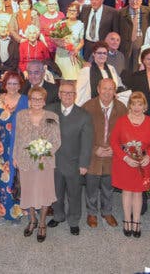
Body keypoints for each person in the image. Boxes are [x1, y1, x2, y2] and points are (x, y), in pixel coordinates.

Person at [13, 86, 61, 242]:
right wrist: (15, 156)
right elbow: (17, 138)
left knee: (45, 192)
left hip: (44, 162)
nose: (37, 101)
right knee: (28, 191)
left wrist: (44, 152)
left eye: (40, 99)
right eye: (34, 98)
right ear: (29, 101)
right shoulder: (20, 115)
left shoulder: (52, 116)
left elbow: (56, 141)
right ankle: (32, 220)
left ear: (44, 101)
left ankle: (42, 223)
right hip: (25, 160)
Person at [45, 81, 92, 235]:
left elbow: (87, 142)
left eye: (70, 93)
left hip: (74, 163)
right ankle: (58, 216)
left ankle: (74, 220)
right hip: (54, 162)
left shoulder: (84, 115)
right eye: (64, 92)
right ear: (59, 94)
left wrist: (84, 164)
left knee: (74, 194)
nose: (67, 95)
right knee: (56, 193)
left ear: (75, 95)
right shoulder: (49, 110)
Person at [109, 91, 150, 238]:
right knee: (127, 191)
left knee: (138, 192)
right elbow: (114, 142)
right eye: (134, 104)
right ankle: (127, 220)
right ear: (129, 105)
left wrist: (149, 156)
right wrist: (125, 158)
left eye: (140, 104)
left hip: (143, 163)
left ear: (145, 106)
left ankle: (136, 221)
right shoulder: (122, 121)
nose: (137, 107)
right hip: (125, 163)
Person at [82, 78, 127, 229]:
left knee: (108, 187)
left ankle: (107, 212)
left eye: (111, 89)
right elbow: (81, 133)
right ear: (98, 89)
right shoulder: (88, 107)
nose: (107, 92)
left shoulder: (121, 108)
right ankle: (91, 213)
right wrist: (95, 149)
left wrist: (116, 148)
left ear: (115, 91)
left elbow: (126, 133)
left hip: (112, 155)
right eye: (104, 88)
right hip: (93, 155)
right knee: (91, 187)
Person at [0, 71, 28, 224]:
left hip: (19, 147)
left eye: (15, 84)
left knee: (17, 180)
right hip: (2, 148)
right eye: (9, 83)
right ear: (5, 85)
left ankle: (17, 214)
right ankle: (3, 213)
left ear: (20, 85)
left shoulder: (26, 101)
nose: (12, 86)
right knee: (2, 181)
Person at [117, 0, 150, 73]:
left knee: (140, 69)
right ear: (128, 0)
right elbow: (116, 30)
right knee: (126, 70)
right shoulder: (120, 13)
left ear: (141, 0)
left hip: (142, 44)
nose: (134, 2)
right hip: (125, 46)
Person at [76, 41, 122, 106]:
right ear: (94, 54)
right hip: (92, 106)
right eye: (99, 53)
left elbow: (117, 86)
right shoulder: (86, 71)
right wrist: (78, 108)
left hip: (110, 106)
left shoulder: (111, 69)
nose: (102, 55)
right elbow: (79, 91)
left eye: (104, 53)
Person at [53, 2, 85, 80]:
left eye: (74, 10)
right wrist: (61, 44)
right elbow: (55, 39)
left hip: (73, 55)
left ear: (78, 13)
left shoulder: (81, 25)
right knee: (61, 78)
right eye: (70, 10)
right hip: (61, 54)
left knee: (72, 78)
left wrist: (75, 50)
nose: (71, 12)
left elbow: (82, 42)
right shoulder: (60, 23)